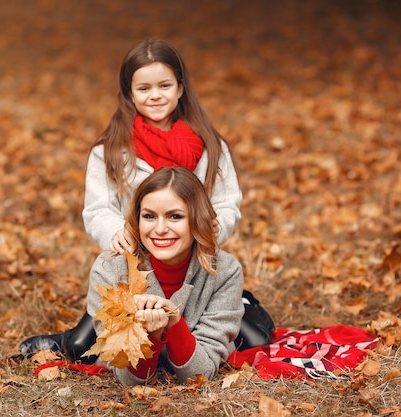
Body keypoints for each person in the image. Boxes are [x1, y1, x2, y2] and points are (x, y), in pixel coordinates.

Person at [19, 39, 273, 361]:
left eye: (164, 85)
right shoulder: (109, 150)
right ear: (129, 94)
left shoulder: (210, 145)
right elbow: (97, 209)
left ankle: (238, 301)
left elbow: (226, 204)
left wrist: (204, 235)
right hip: (135, 270)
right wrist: (118, 232)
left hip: (194, 265)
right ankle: (69, 337)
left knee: (255, 343)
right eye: (144, 88)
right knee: (84, 351)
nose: (155, 95)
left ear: (180, 88)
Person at [87, 167, 260, 384]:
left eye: (175, 216)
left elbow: (201, 373)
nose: (160, 229)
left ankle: (247, 306)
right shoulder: (109, 269)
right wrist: (151, 333)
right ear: (137, 218)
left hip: (212, 316)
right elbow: (128, 380)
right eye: (149, 216)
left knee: (257, 337)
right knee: (77, 344)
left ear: (197, 219)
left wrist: (174, 320)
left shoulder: (225, 271)